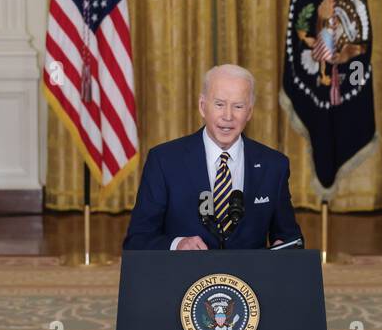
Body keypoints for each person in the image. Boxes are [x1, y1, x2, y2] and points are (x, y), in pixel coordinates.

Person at [122, 64, 303, 250]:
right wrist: (177, 245)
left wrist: (285, 248)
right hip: (184, 269)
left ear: (249, 112)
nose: (228, 116)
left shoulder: (273, 165)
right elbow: (137, 241)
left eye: (238, 106)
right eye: (219, 104)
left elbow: (291, 238)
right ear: (202, 107)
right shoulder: (164, 161)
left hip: (249, 271)